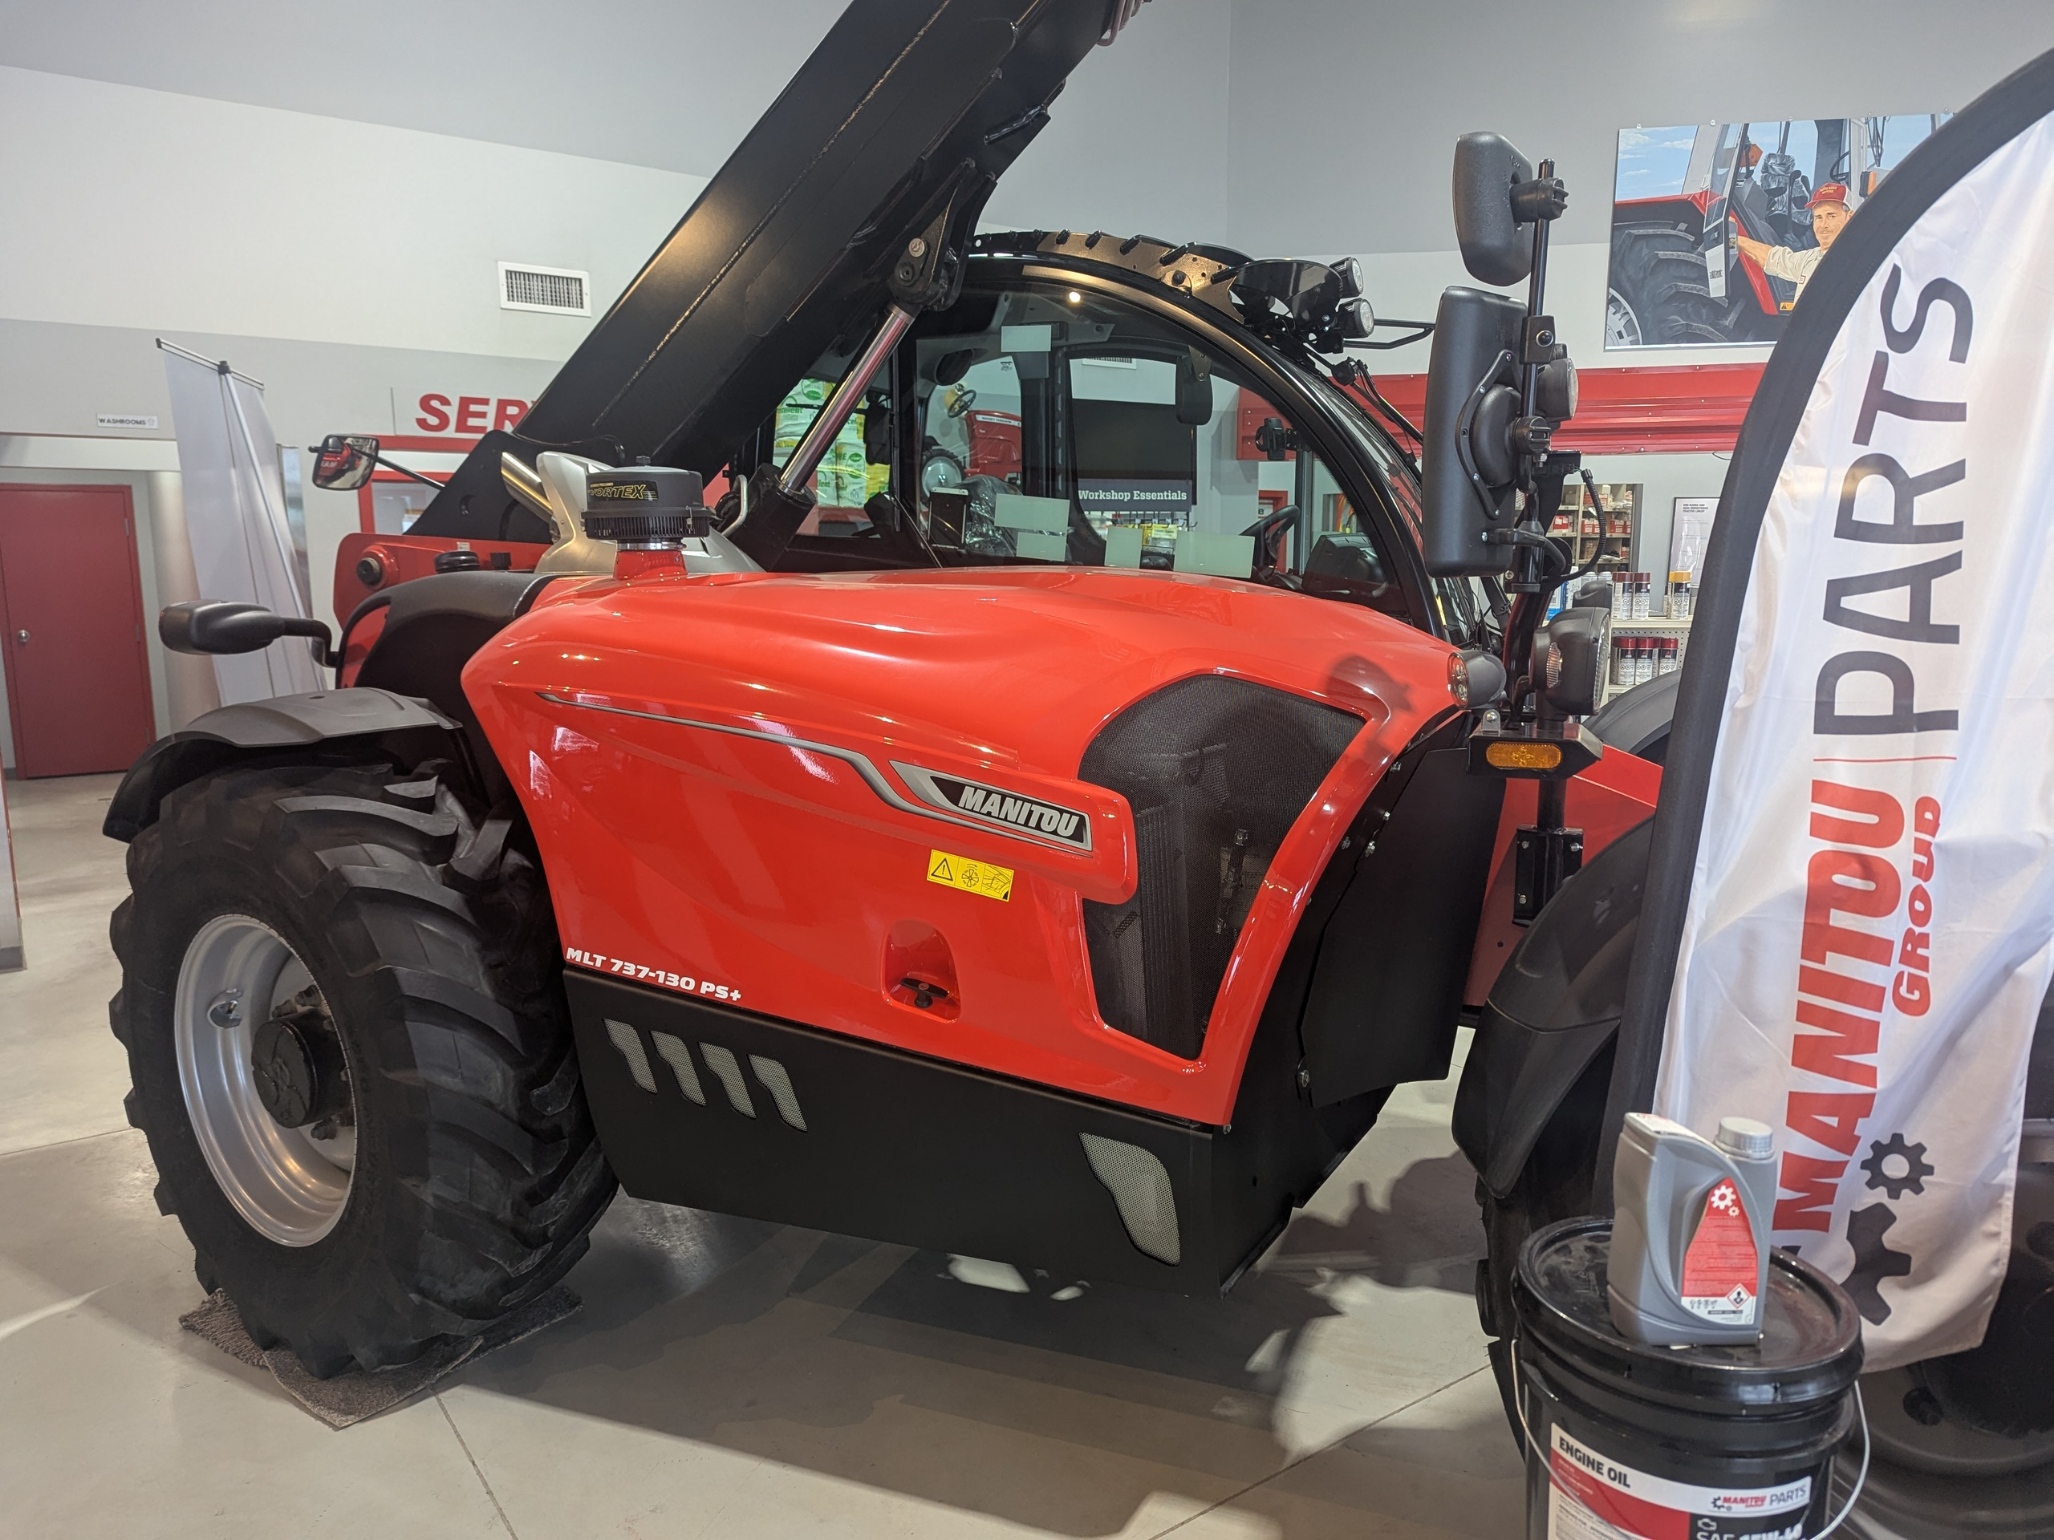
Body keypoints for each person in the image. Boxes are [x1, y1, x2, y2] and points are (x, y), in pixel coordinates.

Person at [1735, 183, 1851, 305]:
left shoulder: (1857, 261)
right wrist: (1734, 240)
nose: (1823, 225)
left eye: (1831, 216)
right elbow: (1772, 258)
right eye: (1818, 217)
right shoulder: (1810, 259)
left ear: (1850, 216)